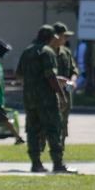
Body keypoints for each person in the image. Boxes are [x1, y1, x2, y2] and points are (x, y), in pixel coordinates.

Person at [17, 25, 73, 173]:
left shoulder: (27, 51)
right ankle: (58, 163)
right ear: (51, 36)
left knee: (33, 131)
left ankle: (36, 163)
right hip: (46, 99)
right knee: (54, 129)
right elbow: (51, 77)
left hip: (30, 99)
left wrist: (32, 82)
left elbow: (19, 74)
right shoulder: (47, 52)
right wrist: (61, 95)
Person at [52, 22, 79, 143]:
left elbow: (74, 70)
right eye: (65, 36)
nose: (66, 38)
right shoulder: (45, 52)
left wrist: (73, 81)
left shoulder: (66, 52)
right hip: (50, 94)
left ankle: (60, 149)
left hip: (65, 94)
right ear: (56, 36)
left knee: (63, 123)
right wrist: (57, 79)